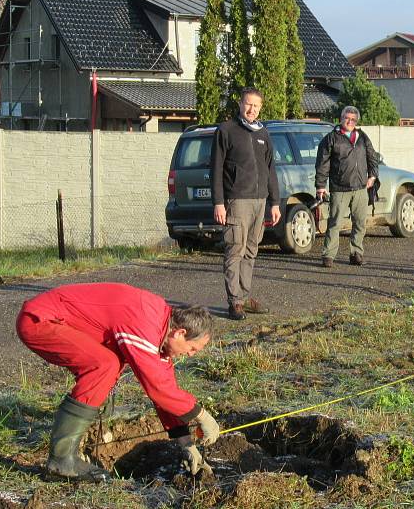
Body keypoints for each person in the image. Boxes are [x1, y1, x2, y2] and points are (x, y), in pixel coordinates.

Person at [15, 283, 220, 482]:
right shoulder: (145, 321)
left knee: (107, 364)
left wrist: (186, 443)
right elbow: (158, 388)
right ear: (180, 333)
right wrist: (201, 415)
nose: (191, 355)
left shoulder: (161, 330)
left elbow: (164, 388)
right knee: (104, 365)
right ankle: (61, 460)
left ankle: (66, 457)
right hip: (41, 320)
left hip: (58, 321)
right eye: (193, 349)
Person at [211, 87, 281, 320]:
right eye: (248, 104)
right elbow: (216, 168)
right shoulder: (226, 130)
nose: (252, 109)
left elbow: (270, 169)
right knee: (235, 249)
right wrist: (219, 202)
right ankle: (235, 301)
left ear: (261, 108)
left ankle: (245, 295)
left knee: (251, 249)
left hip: (260, 201)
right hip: (236, 200)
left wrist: (275, 202)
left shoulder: (264, 133)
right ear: (240, 104)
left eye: (256, 106)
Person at [315, 106, 379, 268]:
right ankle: (328, 255)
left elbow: (372, 156)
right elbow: (322, 163)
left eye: (353, 119)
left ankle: (356, 253)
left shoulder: (362, 137)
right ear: (341, 118)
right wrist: (320, 186)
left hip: (360, 188)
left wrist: (372, 175)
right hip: (339, 188)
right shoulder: (331, 138)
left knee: (360, 223)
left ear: (356, 121)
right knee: (335, 223)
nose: (349, 121)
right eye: (346, 118)